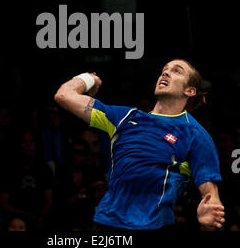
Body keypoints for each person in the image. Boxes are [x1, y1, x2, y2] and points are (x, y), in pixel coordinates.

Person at [54, 59, 225, 231]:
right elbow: (64, 96)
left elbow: (212, 201)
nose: (165, 73)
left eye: (177, 71)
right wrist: (88, 78)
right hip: (106, 224)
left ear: (190, 90)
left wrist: (208, 221)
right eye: (164, 69)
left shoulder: (195, 134)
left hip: (155, 226)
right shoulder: (125, 117)